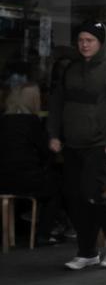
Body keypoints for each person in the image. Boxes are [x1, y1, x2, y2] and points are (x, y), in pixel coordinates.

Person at [46, 21, 106, 269]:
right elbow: (56, 104)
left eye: (90, 40)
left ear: (101, 43)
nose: (84, 45)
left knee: (92, 194)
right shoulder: (70, 69)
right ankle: (87, 251)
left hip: (101, 144)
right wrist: (54, 134)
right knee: (74, 197)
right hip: (72, 144)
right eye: (81, 40)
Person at [0, 82, 62, 244]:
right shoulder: (32, 122)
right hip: (27, 179)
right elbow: (45, 152)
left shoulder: (3, 121)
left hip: (3, 179)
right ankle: (43, 233)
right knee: (57, 188)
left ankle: (21, 226)